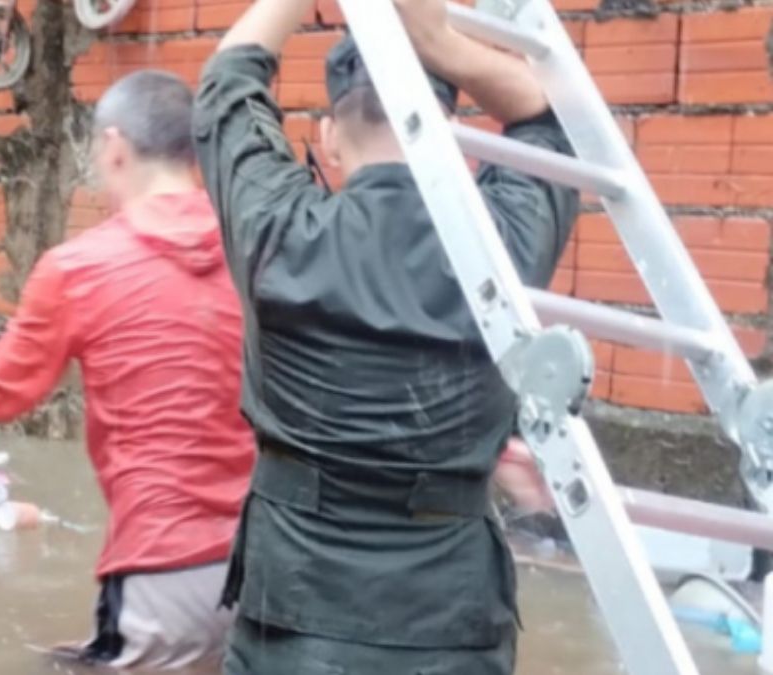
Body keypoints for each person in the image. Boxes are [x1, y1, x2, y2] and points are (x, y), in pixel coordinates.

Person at [191, 0, 579, 672]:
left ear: (330, 137)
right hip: (452, 626)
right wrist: (442, 44)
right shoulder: (502, 251)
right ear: (449, 133)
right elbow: (550, 120)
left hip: (292, 621)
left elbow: (226, 83)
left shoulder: (281, 234)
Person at [0, 70, 255, 671]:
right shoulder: (259, 244)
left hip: (160, 569)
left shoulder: (79, 267)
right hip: (272, 566)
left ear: (114, 147)